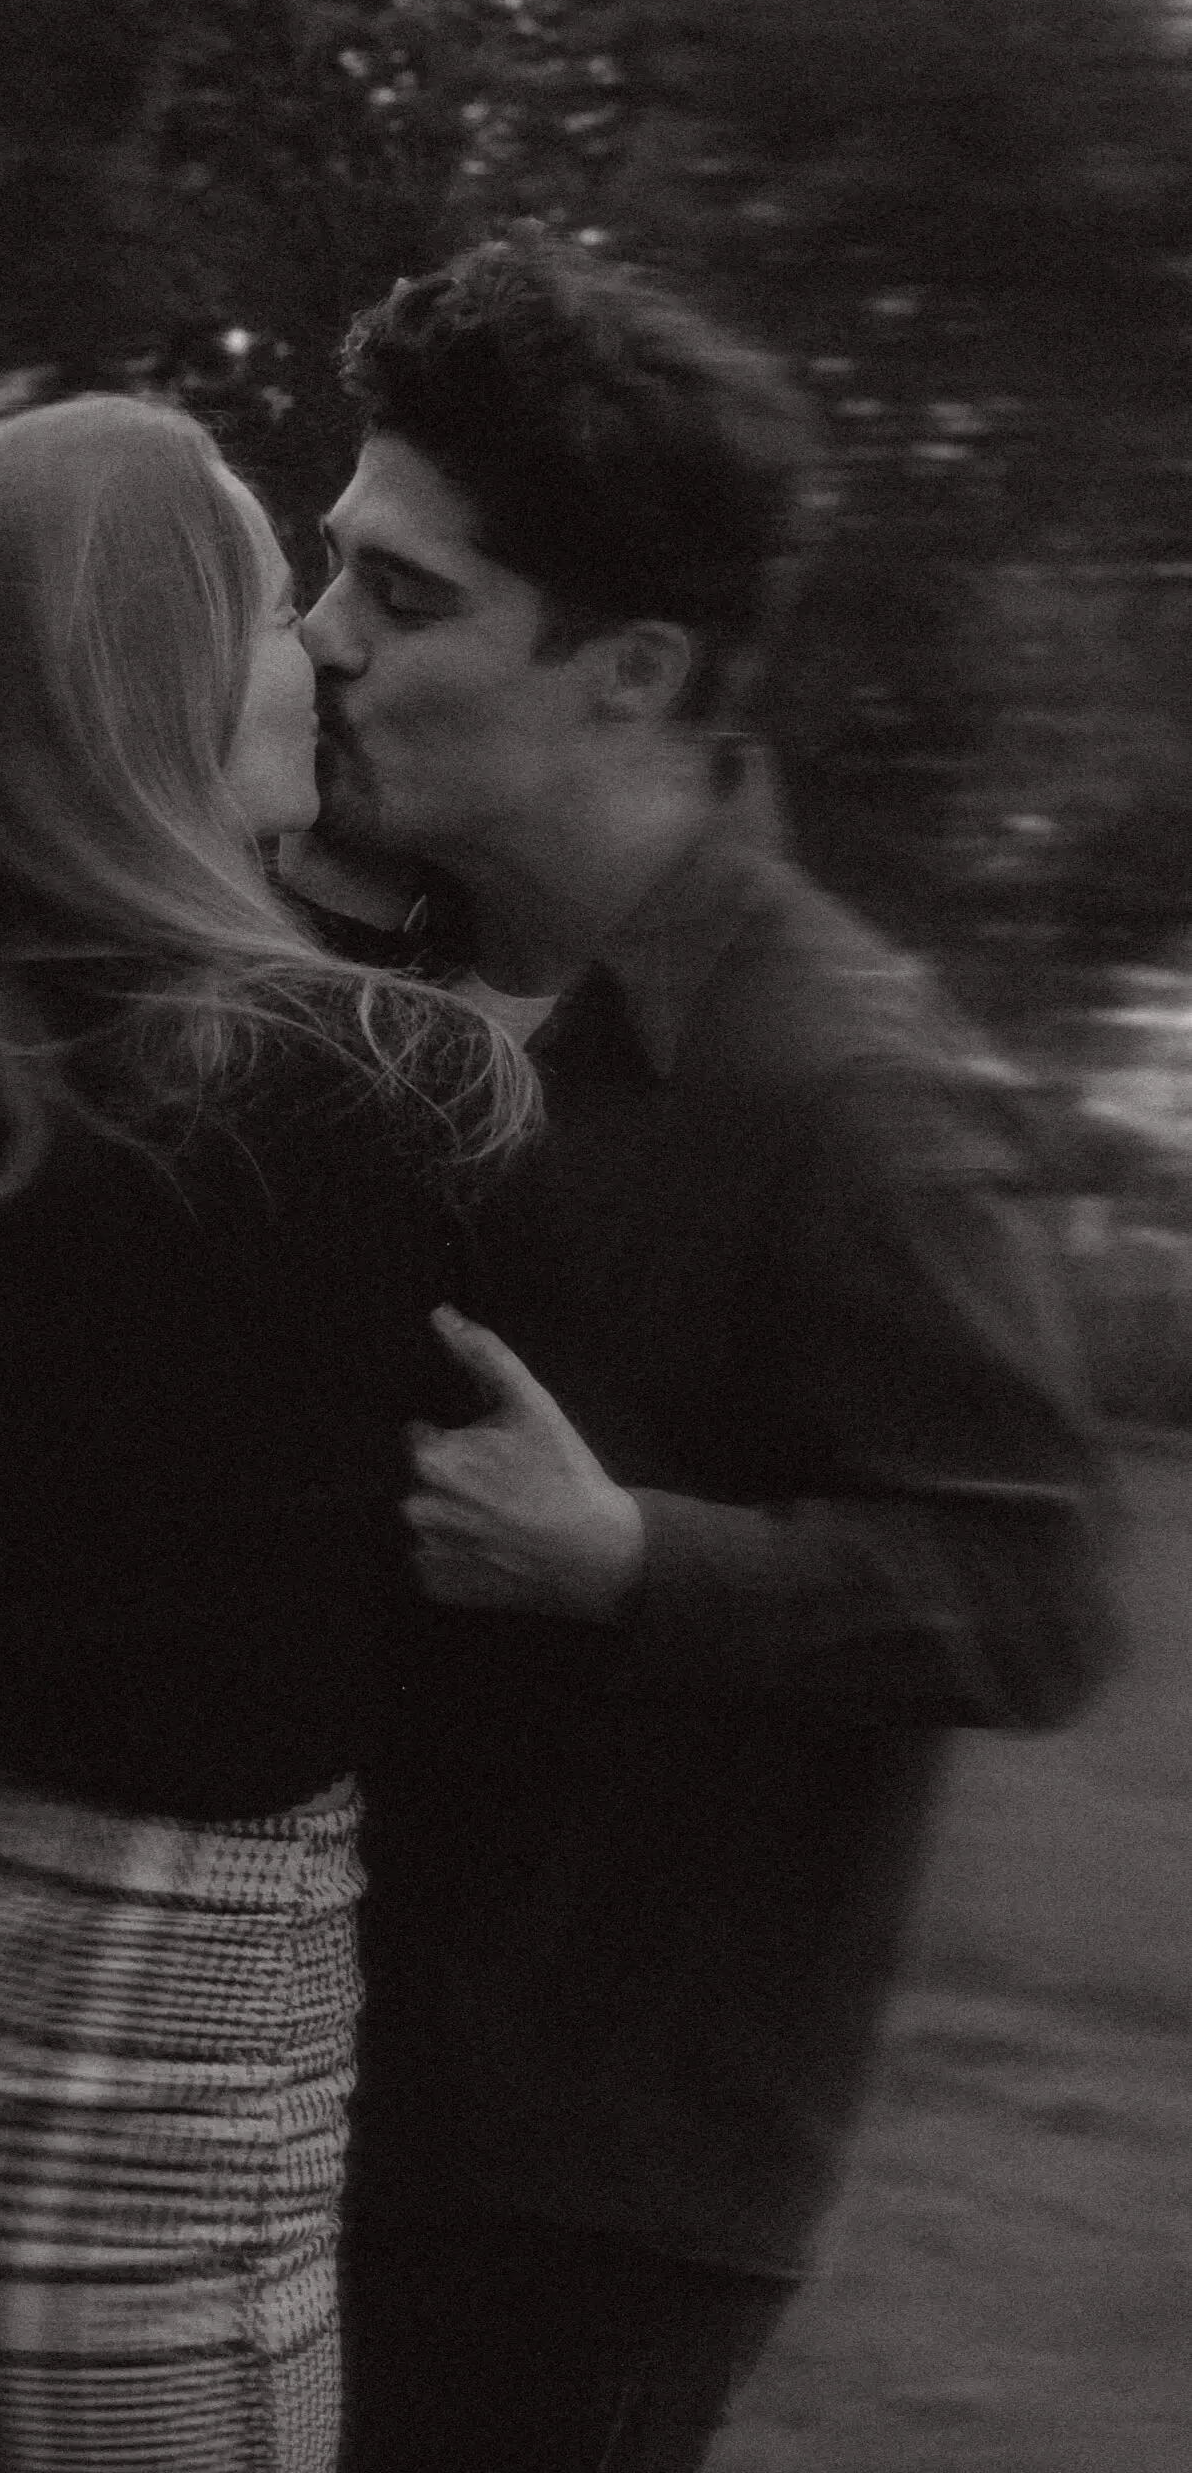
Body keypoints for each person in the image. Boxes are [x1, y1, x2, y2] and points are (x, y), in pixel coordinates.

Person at [282, 233, 1122, 2471]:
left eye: (402, 595)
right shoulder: (421, 984)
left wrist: (629, 1553)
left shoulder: (856, 1098)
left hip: (578, 2196)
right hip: (317, 2072)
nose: (321, 640)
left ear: (629, 670)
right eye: (331, 570)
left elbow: (1036, 1596)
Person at [0, 394, 542, 2473]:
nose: (322, 654)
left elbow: (142, 1044)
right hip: (122, 2106)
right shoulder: (385, 1081)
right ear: (148, 682)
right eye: (269, 613)